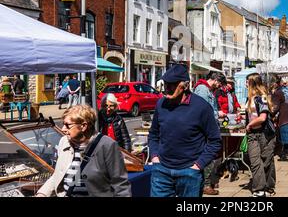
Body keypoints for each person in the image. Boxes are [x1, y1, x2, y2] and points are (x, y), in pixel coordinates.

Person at [149, 64, 222, 197]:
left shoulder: (201, 107)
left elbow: (215, 141)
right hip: (162, 170)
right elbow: (154, 133)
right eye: (165, 84)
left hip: (189, 172)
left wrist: (198, 165)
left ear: (185, 86)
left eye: (172, 85)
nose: (167, 88)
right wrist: (154, 156)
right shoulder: (161, 104)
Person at [36, 105, 131, 197]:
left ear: (83, 126)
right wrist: (42, 193)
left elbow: (120, 184)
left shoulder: (107, 145)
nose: (63, 129)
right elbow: (57, 176)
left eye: (67, 125)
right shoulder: (64, 142)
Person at [194, 71, 226, 195]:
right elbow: (202, 111)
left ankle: (207, 182)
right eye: (220, 84)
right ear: (216, 80)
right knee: (208, 155)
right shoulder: (202, 90)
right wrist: (218, 114)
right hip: (205, 129)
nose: (219, 87)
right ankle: (205, 185)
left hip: (208, 127)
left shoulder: (206, 89)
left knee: (210, 156)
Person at [245, 73, 276, 197]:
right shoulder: (249, 99)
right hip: (253, 134)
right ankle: (259, 189)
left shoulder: (261, 98)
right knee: (255, 161)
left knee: (267, 161)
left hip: (265, 133)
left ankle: (269, 187)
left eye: (247, 81)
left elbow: (262, 118)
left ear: (252, 83)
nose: (245, 84)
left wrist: (249, 124)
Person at [271, 76, 288, 161]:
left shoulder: (278, 93)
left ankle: (286, 155)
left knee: (285, 137)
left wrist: (271, 114)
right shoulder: (287, 90)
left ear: (276, 83)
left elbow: (276, 107)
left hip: (284, 117)